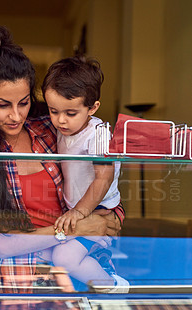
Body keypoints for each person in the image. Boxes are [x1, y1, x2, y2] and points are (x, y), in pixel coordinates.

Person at [0, 20, 124, 294]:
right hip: (14, 287)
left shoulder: (52, 131)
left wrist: (112, 215)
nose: (16, 115)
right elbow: (4, 245)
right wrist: (81, 226)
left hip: (71, 283)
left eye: (23, 102)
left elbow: (100, 179)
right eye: (3, 105)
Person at [40, 56, 127, 289]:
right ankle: (101, 267)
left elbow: (104, 177)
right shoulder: (64, 127)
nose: (60, 120)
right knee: (44, 253)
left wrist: (80, 212)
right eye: (53, 111)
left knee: (63, 258)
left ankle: (113, 286)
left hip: (100, 210)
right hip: (75, 210)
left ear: (92, 108)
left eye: (70, 113)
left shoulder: (97, 134)